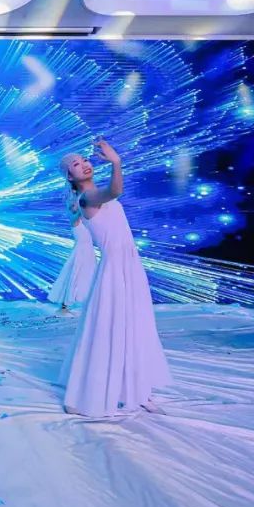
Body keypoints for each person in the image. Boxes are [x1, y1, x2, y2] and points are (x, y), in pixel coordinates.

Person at [58, 141, 171, 417]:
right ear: (70, 177)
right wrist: (116, 163)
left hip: (130, 267)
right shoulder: (87, 199)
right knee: (112, 328)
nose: (84, 164)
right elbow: (115, 190)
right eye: (76, 164)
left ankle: (136, 390)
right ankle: (94, 392)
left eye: (84, 159)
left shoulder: (94, 195)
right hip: (114, 271)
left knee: (135, 327)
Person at [47, 188, 97, 314]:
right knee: (73, 274)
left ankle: (91, 301)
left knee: (89, 275)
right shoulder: (73, 217)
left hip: (88, 250)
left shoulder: (84, 218)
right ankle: (65, 304)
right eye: (73, 205)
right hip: (80, 250)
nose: (75, 205)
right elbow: (79, 210)